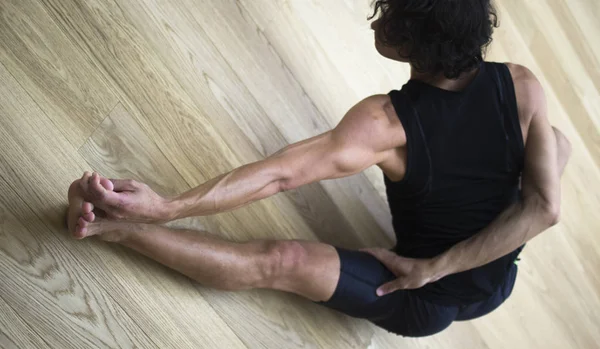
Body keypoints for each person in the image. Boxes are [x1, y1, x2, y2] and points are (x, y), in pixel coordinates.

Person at [66, 0, 571, 337]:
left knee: (281, 260)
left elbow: (281, 174)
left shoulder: (386, 125)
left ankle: (115, 229)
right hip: (500, 267)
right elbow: (543, 207)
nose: (377, 20)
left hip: (429, 296)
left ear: (418, 43)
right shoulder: (521, 83)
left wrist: (165, 208)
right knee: (556, 144)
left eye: (391, 18)